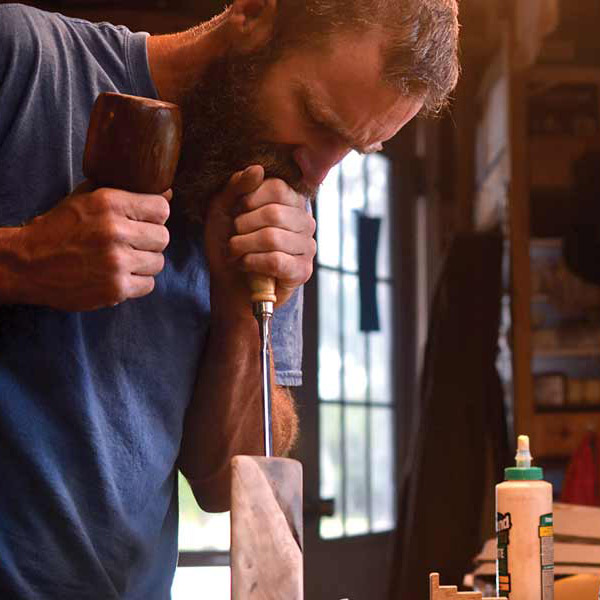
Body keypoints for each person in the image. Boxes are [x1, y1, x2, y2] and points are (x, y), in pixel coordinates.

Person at [0, 0, 459, 597]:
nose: (317, 176)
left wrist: (240, 314)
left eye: (354, 147)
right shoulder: (23, 62)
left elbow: (222, 484)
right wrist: (24, 258)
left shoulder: (276, 182)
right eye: (317, 119)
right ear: (252, 15)